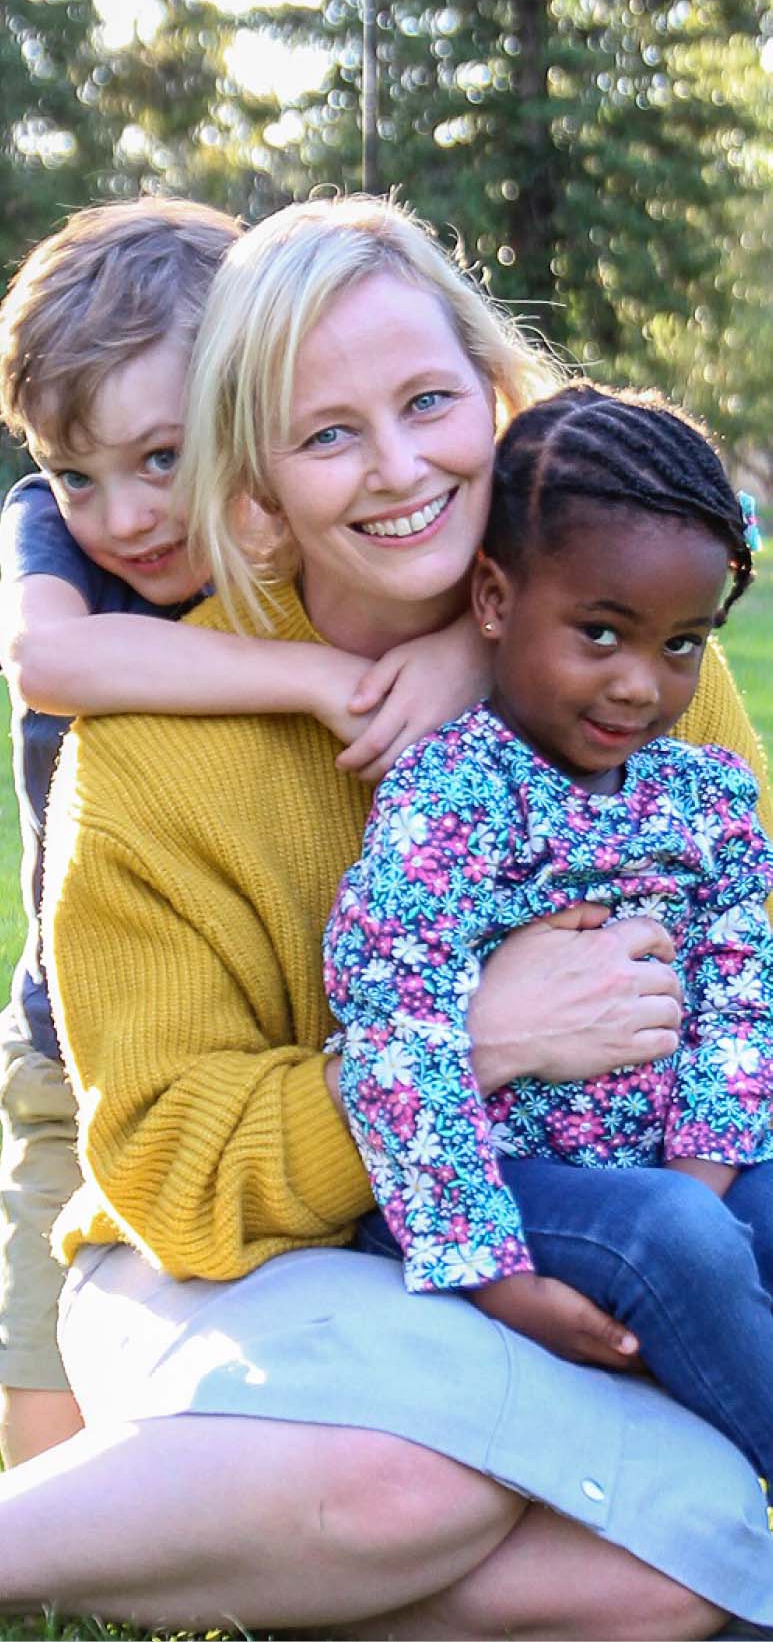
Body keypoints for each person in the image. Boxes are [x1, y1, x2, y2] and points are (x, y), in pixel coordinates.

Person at [0, 196, 773, 1636]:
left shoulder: (627, 642)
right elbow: (169, 1175)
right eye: (329, 432)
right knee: (417, 1480)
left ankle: (278, 1552)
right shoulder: (149, 741)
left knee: (669, 1569)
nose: (400, 468)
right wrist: (470, 1041)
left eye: (425, 402)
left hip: (549, 1240)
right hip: (235, 1262)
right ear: (257, 484)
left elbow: (742, 959)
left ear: (494, 397)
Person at [0, 198, 496, 1465]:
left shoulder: (331, 510)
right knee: (49, 1432)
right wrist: (318, 681)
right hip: (72, 1035)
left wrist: (463, 646)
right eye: (75, 472)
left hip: (280, 1014)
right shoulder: (64, 543)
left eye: (163, 459)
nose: (126, 516)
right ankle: (5, 1356)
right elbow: (47, 655)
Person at [325, 383, 773, 1479]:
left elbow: (743, 987)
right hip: (491, 1179)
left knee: (703, 1223)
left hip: (667, 1172)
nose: (640, 683)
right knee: (673, 1241)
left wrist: (702, 1165)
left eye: (681, 645)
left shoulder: (704, 800)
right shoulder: (454, 800)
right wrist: (495, 1275)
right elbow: (398, 1034)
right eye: (601, 632)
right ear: (494, 598)